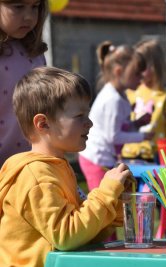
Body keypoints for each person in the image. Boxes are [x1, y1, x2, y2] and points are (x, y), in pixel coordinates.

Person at [0, 66, 133, 267]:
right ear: (43, 124)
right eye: (79, 116)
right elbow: (67, 236)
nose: (89, 123)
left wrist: (116, 201)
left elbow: (85, 232)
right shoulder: (35, 176)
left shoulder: (57, 168)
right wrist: (106, 192)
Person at [79, 41, 152, 191]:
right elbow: (113, 136)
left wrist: (136, 124)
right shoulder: (113, 99)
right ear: (119, 71)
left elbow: (120, 127)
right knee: (103, 200)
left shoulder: (120, 95)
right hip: (96, 159)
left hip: (103, 158)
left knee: (111, 199)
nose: (141, 78)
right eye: (136, 74)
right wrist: (142, 136)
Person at [0, 0, 48, 167]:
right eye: (18, 7)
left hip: (29, 164)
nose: (28, 16)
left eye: (35, 7)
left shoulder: (35, 54)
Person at [122, 39, 166, 161]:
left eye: (142, 66)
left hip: (154, 156)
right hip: (127, 154)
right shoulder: (130, 91)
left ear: (155, 66)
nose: (137, 71)